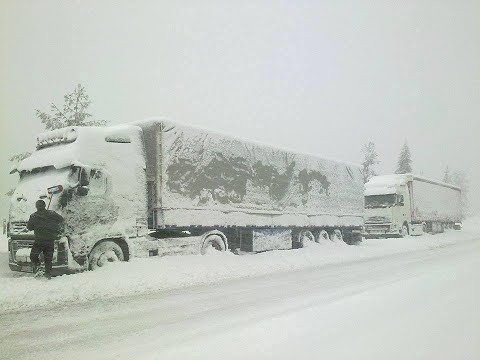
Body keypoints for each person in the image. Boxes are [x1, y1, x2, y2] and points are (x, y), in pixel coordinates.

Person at [27, 199, 64, 279]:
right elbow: (61, 220)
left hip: (39, 241)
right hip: (49, 240)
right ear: (44, 206)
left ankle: (39, 268)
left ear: (36, 207)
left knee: (33, 256)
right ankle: (47, 274)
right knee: (48, 258)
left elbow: (29, 227)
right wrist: (54, 225)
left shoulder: (33, 216)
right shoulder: (52, 214)